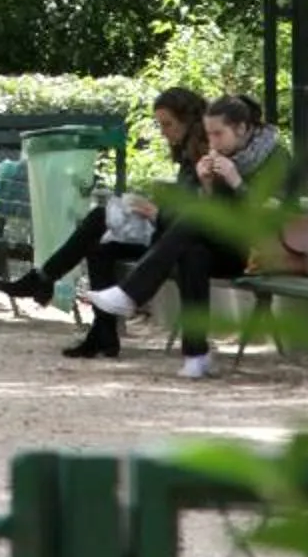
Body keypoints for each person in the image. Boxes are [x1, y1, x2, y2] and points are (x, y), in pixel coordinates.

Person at [80, 91, 284, 380]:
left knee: (196, 221)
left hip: (260, 251)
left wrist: (237, 181)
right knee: (193, 253)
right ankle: (196, 355)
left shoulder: (276, 157)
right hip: (228, 245)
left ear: (242, 128)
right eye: (209, 134)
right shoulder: (227, 153)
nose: (211, 143)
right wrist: (208, 184)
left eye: (217, 134)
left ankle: (132, 293)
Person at [0, 86, 208, 356]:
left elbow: (193, 215)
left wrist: (154, 210)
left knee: (99, 218)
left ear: (188, 120)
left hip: (176, 243)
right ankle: (101, 332)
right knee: (99, 247)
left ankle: (44, 279)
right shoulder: (189, 153)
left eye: (168, 124)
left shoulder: (202, 157)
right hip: (167, 234)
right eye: (160, 124)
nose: (164, 131)